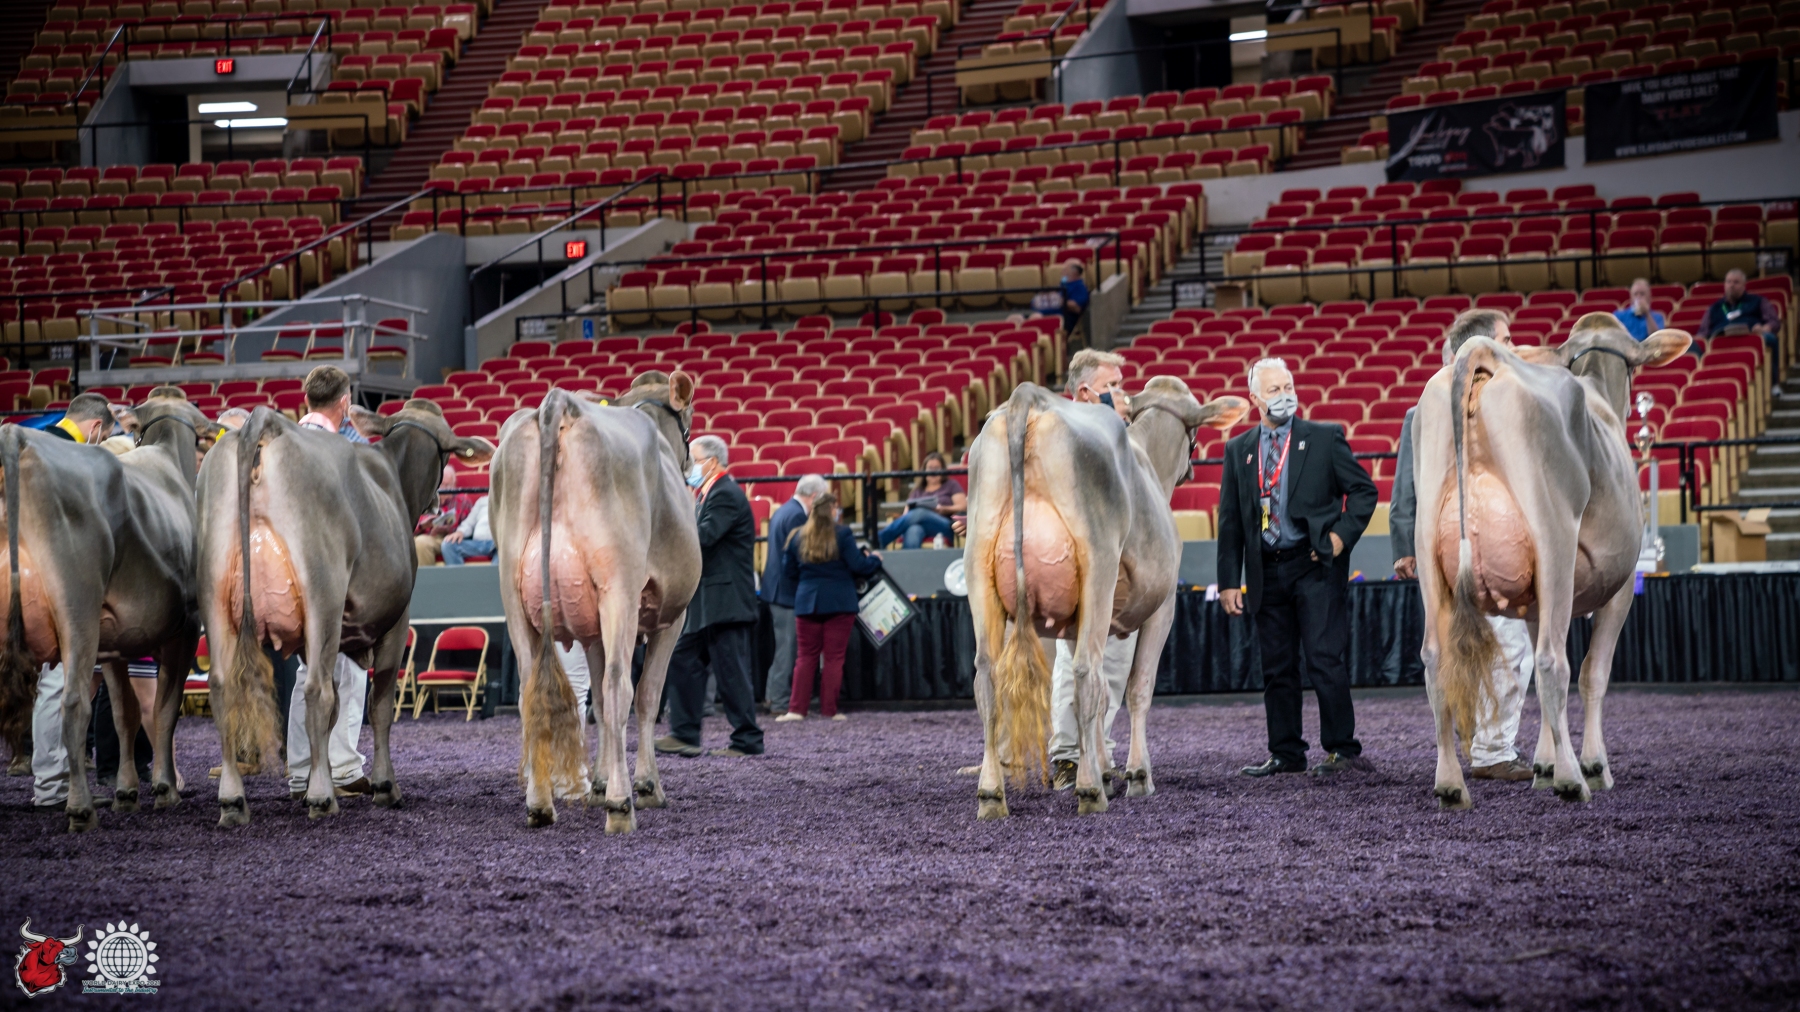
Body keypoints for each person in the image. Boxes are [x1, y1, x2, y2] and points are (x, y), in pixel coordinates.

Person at [1391, 309, 1535, 781]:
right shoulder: (1428, 412)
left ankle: (1480, 740)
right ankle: (1491, 748)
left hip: (1472, 542)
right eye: (1505, 340)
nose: (1512, 348)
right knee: (1495, 641)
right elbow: (1407, 485)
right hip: (1466, 545)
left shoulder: (1507, 401)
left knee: (1482, 641)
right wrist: (1405, 544)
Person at [1219, 357, 1378, 778]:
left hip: (1314, 565)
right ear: (1255, 399)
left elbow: (1364, 491)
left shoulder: (1325, 437)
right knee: (1277, 667)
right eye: (1274, 390)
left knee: (1324, 658)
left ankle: (1343, 750)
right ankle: (1286, 753)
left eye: (1288, 386)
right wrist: (1228, 581)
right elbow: (1230, 520)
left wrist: (1339, 538)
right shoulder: (1238, 450)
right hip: (1265, 571)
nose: (1284, 395)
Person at [1047, 347, 1137, 790]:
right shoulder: (1066, 431)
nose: (1123, 393)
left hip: (1118, 567)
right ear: (1085, 392)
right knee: (1078, 660)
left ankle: (1093, 750)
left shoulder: (1115, 432)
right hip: (1079, 567)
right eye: (1112, 386)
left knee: (1109, 663)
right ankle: (1070, 755)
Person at [286, 364, 372, 800]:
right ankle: (341, 765)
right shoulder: (345, 449)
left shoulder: (282, 442)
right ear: (345, 403)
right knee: (350, 664)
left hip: (284, 573)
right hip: (333, 571)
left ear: (306, 400)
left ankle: (301, 770)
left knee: (307, 670)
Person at [656, 435, 765, 758]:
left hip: (725, 602)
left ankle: (747, 740)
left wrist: (668, 529)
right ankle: (685, 734)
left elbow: (703, 537)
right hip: (709, 602)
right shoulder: (710, 494)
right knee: (683, 660)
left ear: (712, 462)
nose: (689, 467)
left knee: (731, 672)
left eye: (694, 460)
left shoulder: (725, 494)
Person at [775, 493, 882, 721]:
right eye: (836, 508)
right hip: (840, 602)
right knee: (834, 659)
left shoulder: (797, 536)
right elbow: (859, 566)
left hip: (807, 602)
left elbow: (788, 572)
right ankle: (829, 711)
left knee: (805, 657)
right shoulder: (842, 534)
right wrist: (875, 559)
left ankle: (796, 710)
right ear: (832, 510)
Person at [761, 474, 830, 715]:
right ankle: (780, 702)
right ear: (815, 496)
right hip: (786, 594)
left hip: (777, 591)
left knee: (783, 648)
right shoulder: (797, 516)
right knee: (787, 650)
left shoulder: (784, 510)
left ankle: (773, 696)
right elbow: (799, 557)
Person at [878, 452, 966, 549]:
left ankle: (881, 538)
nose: (933, 471)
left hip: (943, 525)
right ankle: (909, 559)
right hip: (920, 525)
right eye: (930, 468)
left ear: (942, 470)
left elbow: (962, 506)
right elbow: (907, 515)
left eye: (937, 468)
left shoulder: (951, 485)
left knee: (920, 512)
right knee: (914, 530)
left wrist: (943, 509)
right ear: (924, 470)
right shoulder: (917, 490)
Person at [1700, 268, 1781, 355]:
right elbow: (1703, 333)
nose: (1731, 285)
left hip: (1750, 336)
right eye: (1728, 282)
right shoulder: (1714, 308)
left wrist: (1763, 329)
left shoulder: (1758, 301)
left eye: (1736, 282)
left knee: (1770, 339)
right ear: (1724, 285)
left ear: (1743, 286)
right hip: (1721, 341)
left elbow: (1774, 322)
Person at [414, 464, 479, 566]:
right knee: (412, 542)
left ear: (454, 485)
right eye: (441, 485)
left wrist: (449, 530)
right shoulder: (426, 499)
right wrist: (423, 525)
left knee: (421, 543)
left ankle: (426, 577)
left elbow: (468, 528)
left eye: (448, 485)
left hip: (448, 539)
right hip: (423, 535)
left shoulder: (463, 501)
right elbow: (410, 527)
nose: (444, 489)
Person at [440, 494, 493, 565]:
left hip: (498, 544)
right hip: (477, 543)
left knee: (505, 549)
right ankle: (457, 573)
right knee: (448, 544)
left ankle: (497, 572)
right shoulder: (482, 501)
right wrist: (460, 532)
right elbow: (469, 523)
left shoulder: (508, 501)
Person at [1612, 278, 1666, 342]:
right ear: (1631, 297)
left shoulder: (1658, 317)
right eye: (1635, 294)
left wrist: (1647, 313)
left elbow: (1656, 339)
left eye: (1642, 294)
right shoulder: (1619, 316)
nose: (1639, 297)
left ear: (1649, 297)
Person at [47, 392, 113, 444]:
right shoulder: (72, 454)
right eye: (103, 438)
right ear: (96, 425)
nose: (100, 444)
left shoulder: (42, 439)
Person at [1057, 260, 1090, 335]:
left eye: (1065, 269)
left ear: (1074, 272)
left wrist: (1060, 301)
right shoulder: (1063, 284)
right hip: (1051, 314)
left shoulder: (1080, 287)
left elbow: (1077, 308)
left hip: (1064, 319)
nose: (1062, 272)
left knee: (1037, 317)